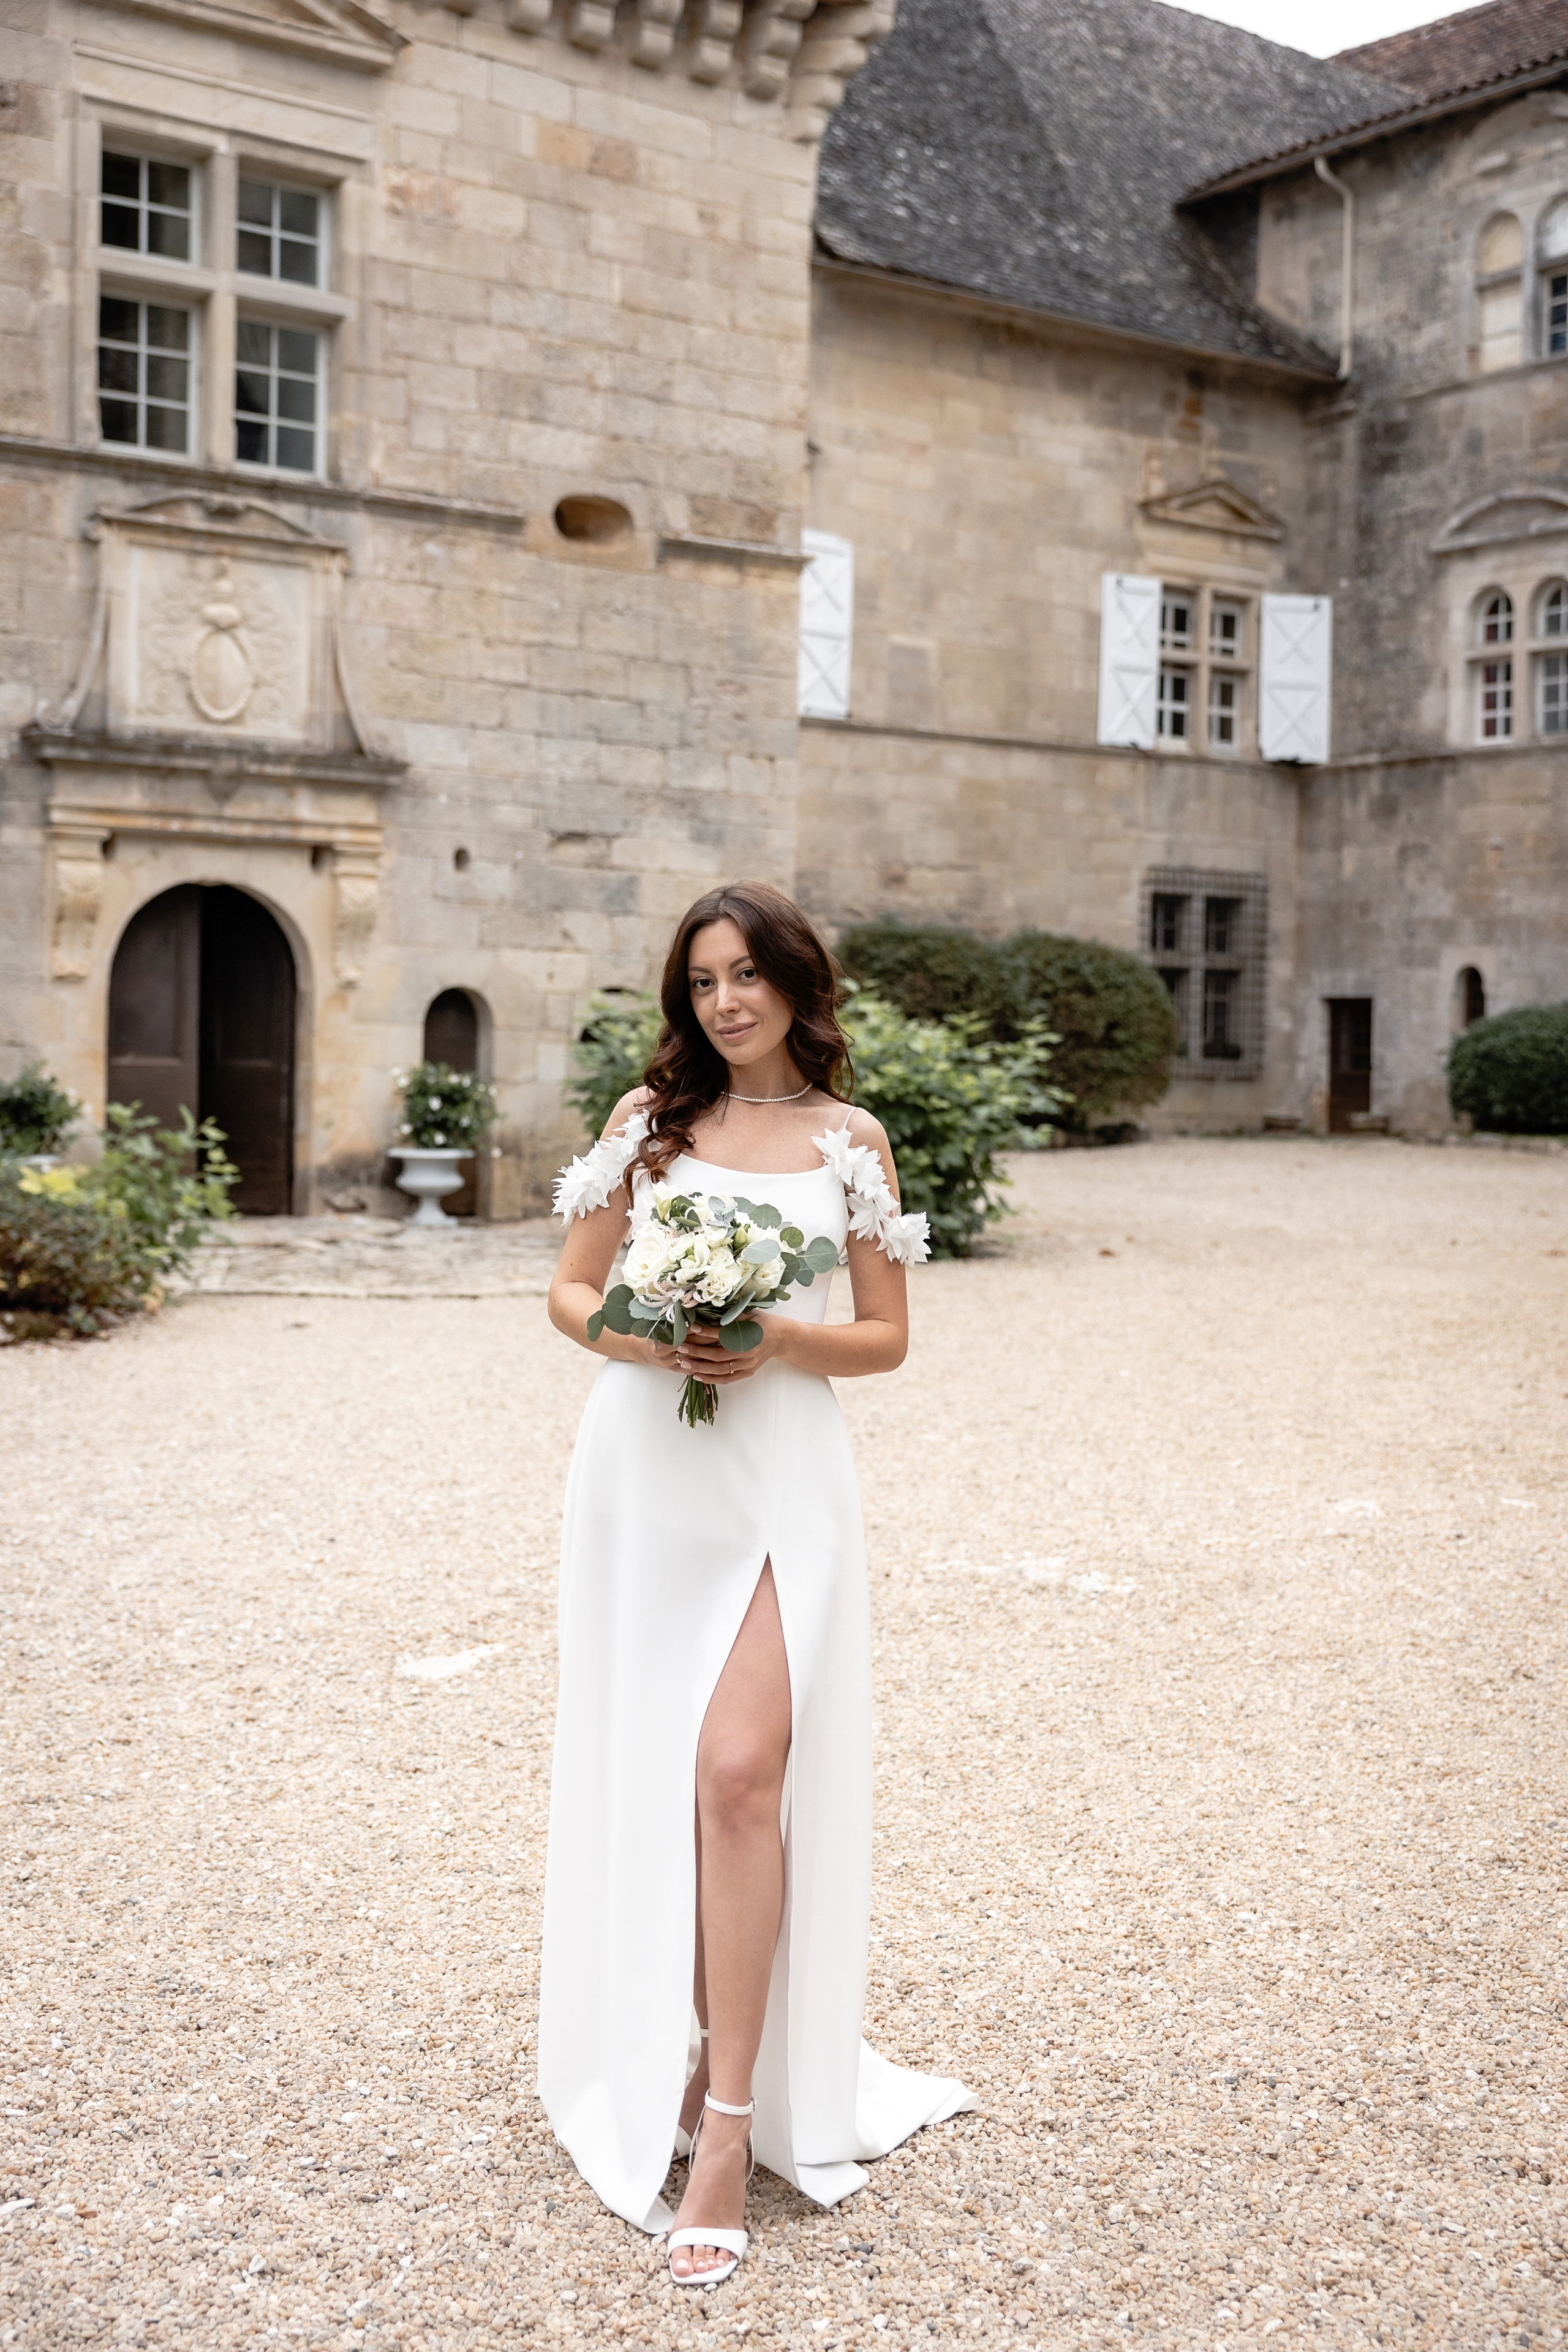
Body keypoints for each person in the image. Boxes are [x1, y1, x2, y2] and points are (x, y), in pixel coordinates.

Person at [541, 881, 971, 2286]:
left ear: (796, 984)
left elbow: (887, 1336)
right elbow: (567, 1294)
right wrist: (658, 1338)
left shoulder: (849, 1140)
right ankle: (671, 2059)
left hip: (783, 1480)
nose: (726, 1002)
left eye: (748, 977)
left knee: (738, 1773)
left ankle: (728, 2123)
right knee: (665, 1774)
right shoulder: (645, 1125)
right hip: (647, 1474)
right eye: (703, 981)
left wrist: (776, 1337)